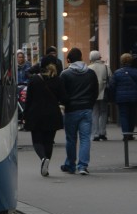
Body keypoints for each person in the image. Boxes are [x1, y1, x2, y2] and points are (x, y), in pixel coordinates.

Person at [22, 55, 67, 176]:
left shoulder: (34, 80)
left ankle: (43, 158)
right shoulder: (58, 80)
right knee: (48, 142)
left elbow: (28, 100)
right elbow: (63, 98)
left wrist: (24, 116)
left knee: (37, 141)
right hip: (52, 114)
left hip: (35, 114)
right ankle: (46, 166)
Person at [59, 47, 98, 175]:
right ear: (81, 58)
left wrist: (65, 104)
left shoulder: (65, 74)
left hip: (71, 110)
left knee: (71, 139)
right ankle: (82, 166)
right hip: (86, 109)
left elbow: (62, 93)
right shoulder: (90, 73)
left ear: (69, 60)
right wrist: (90, 104)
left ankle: (70, 164)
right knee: (85, 138)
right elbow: (95, 91)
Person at [108, 53, 137, 140]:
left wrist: (112, 96)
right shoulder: (136, 72)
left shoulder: (117, 73)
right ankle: (130, 134)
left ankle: (125, 134)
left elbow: (112, 86)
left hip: (121, 98)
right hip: (134, 97)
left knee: (123, 116)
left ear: (121, 61)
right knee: (132, 115)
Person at [88, 50, 110, 141]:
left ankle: (95, 133)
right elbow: (110, 78)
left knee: (94, 113)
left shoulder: (89, 68)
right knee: (104, 112)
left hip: (92, 93)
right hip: (104, 92)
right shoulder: (106, 67)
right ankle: (102, 132)